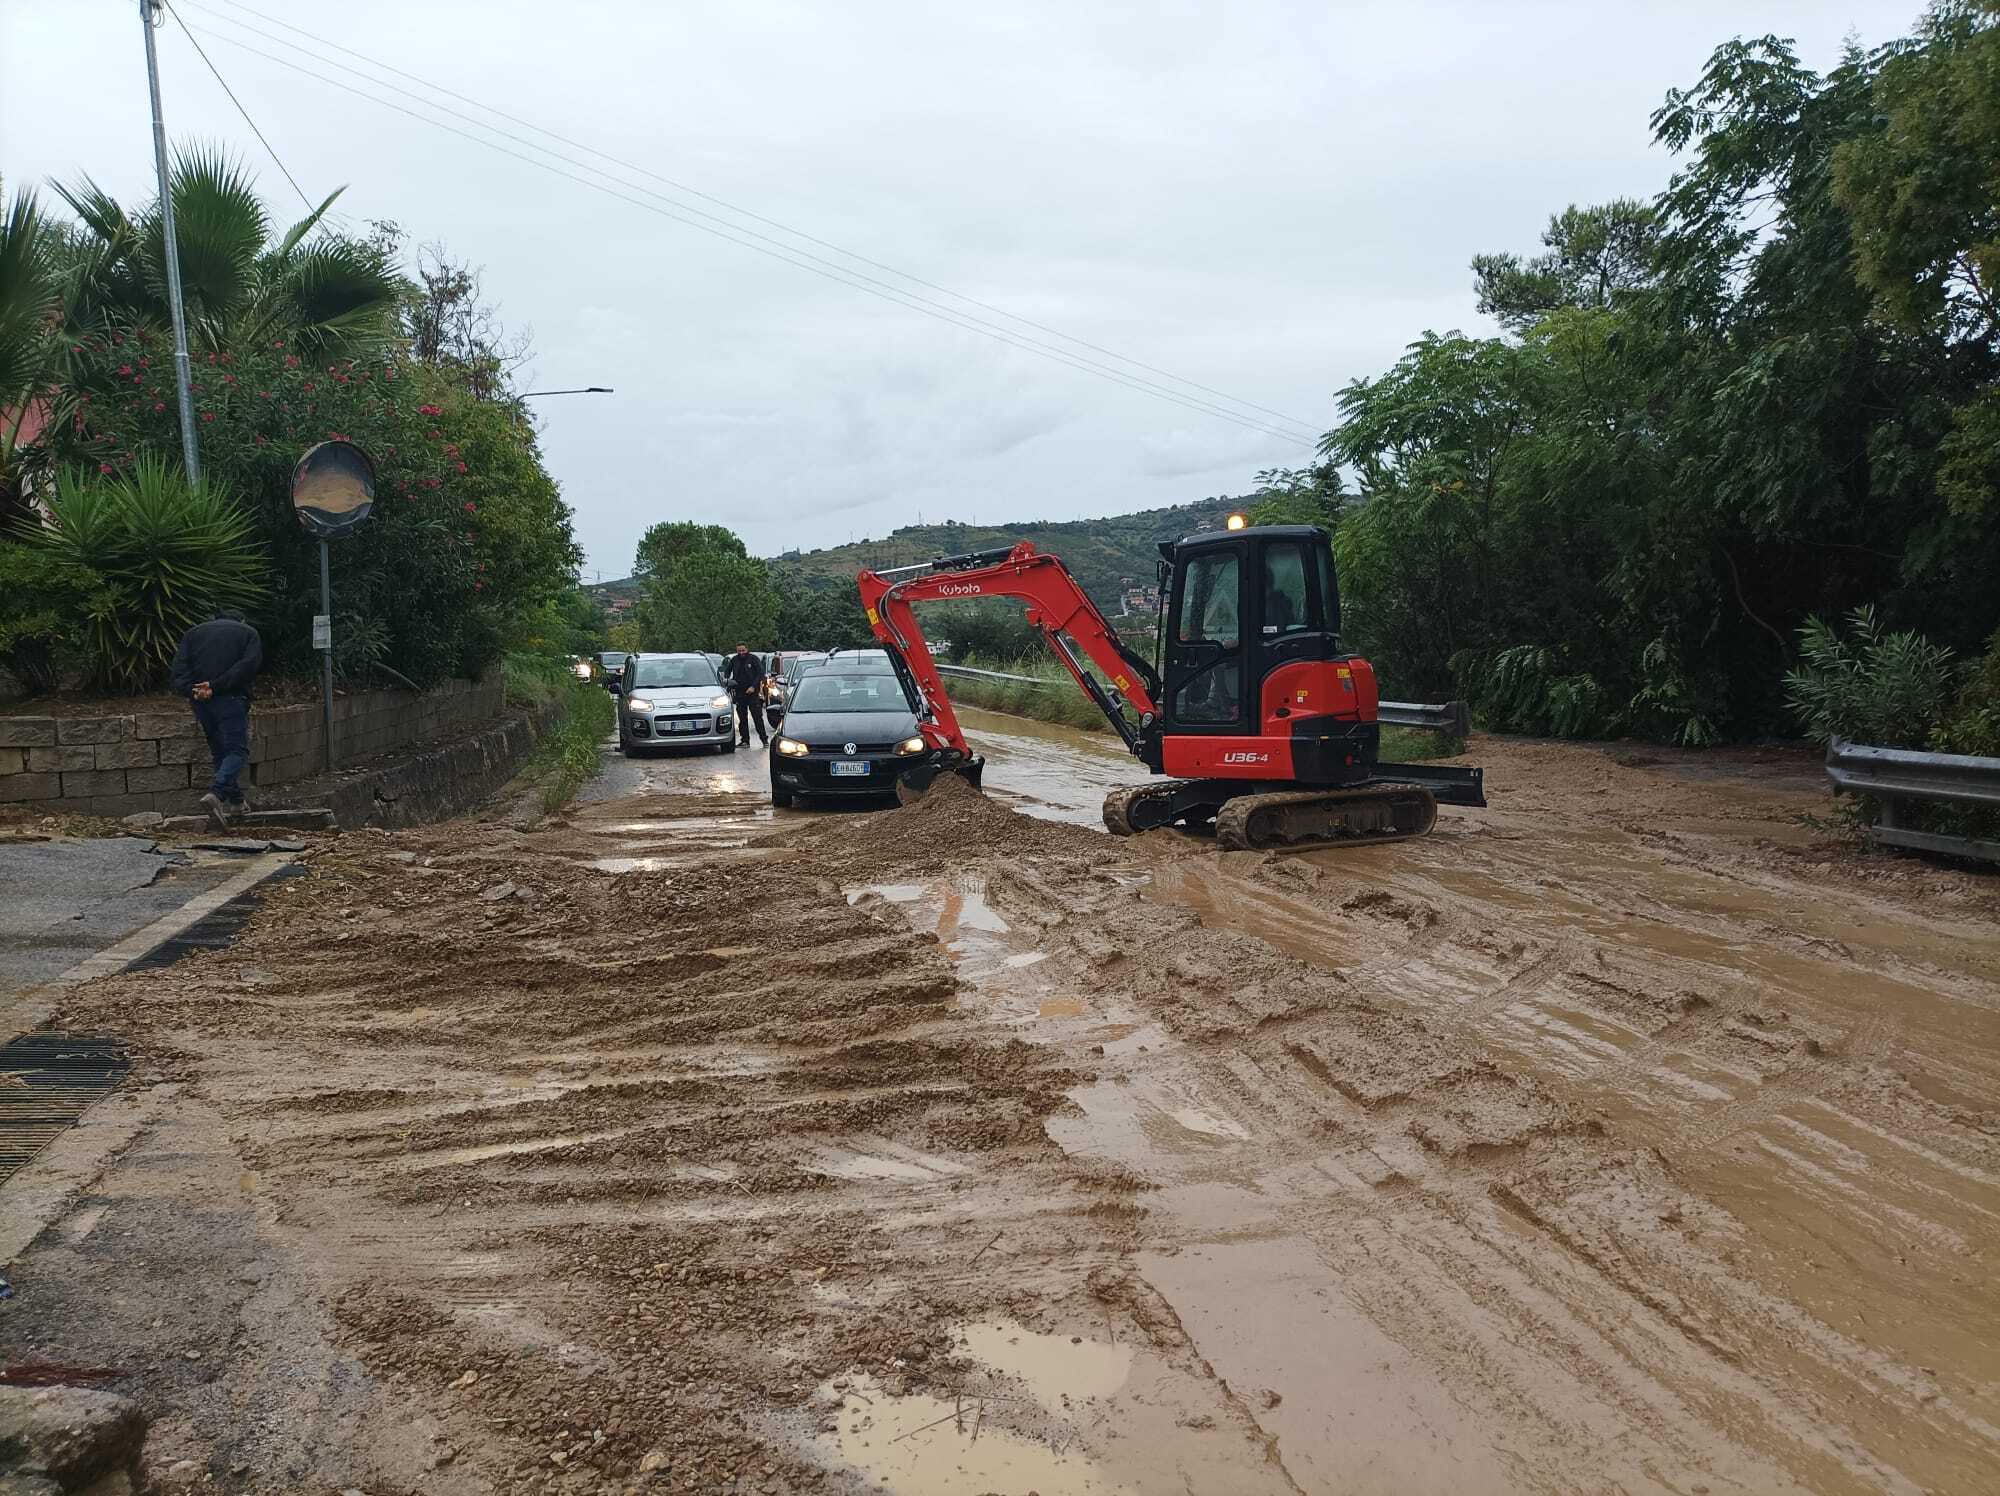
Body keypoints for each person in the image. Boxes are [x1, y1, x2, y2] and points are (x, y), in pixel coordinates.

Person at [169, 609, 263, 827]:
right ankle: (217, 793)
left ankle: (237, 803)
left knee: (219, 751)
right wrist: (216, 686)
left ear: (215, 618)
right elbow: (247, 668)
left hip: (201, 702)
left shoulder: (193, 633)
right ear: (241, 619)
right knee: (236, 750)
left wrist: (195, 690)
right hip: (231, 699)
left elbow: (178, 671)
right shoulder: (248, 633)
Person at [722, 642, 768, 747]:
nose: (741, 652)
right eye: (739, 651)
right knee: (742, 719)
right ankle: (745, 741)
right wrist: (727, 681)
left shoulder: (753, 659)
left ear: (747, 649)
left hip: (752, 693)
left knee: (757, 717)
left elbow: (760, 673)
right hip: (739, 692)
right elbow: (727, 673)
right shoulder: (734, 660)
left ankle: (764, 740)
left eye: (743, 650)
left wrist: (753, 686)